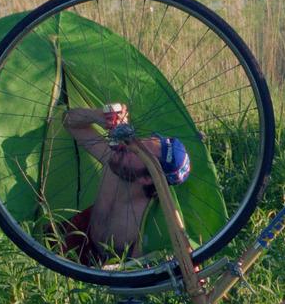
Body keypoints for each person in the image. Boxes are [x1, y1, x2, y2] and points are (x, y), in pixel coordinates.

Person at [57, 105, 190, 265]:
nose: (130, 146)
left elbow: (183, 259)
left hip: (104, 268)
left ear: (147, 179)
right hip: (80, 234)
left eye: (139, 152)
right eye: (141, 141)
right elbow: (69, 121)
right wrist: (97, 116)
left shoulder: (148, 224)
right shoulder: (115, 161)